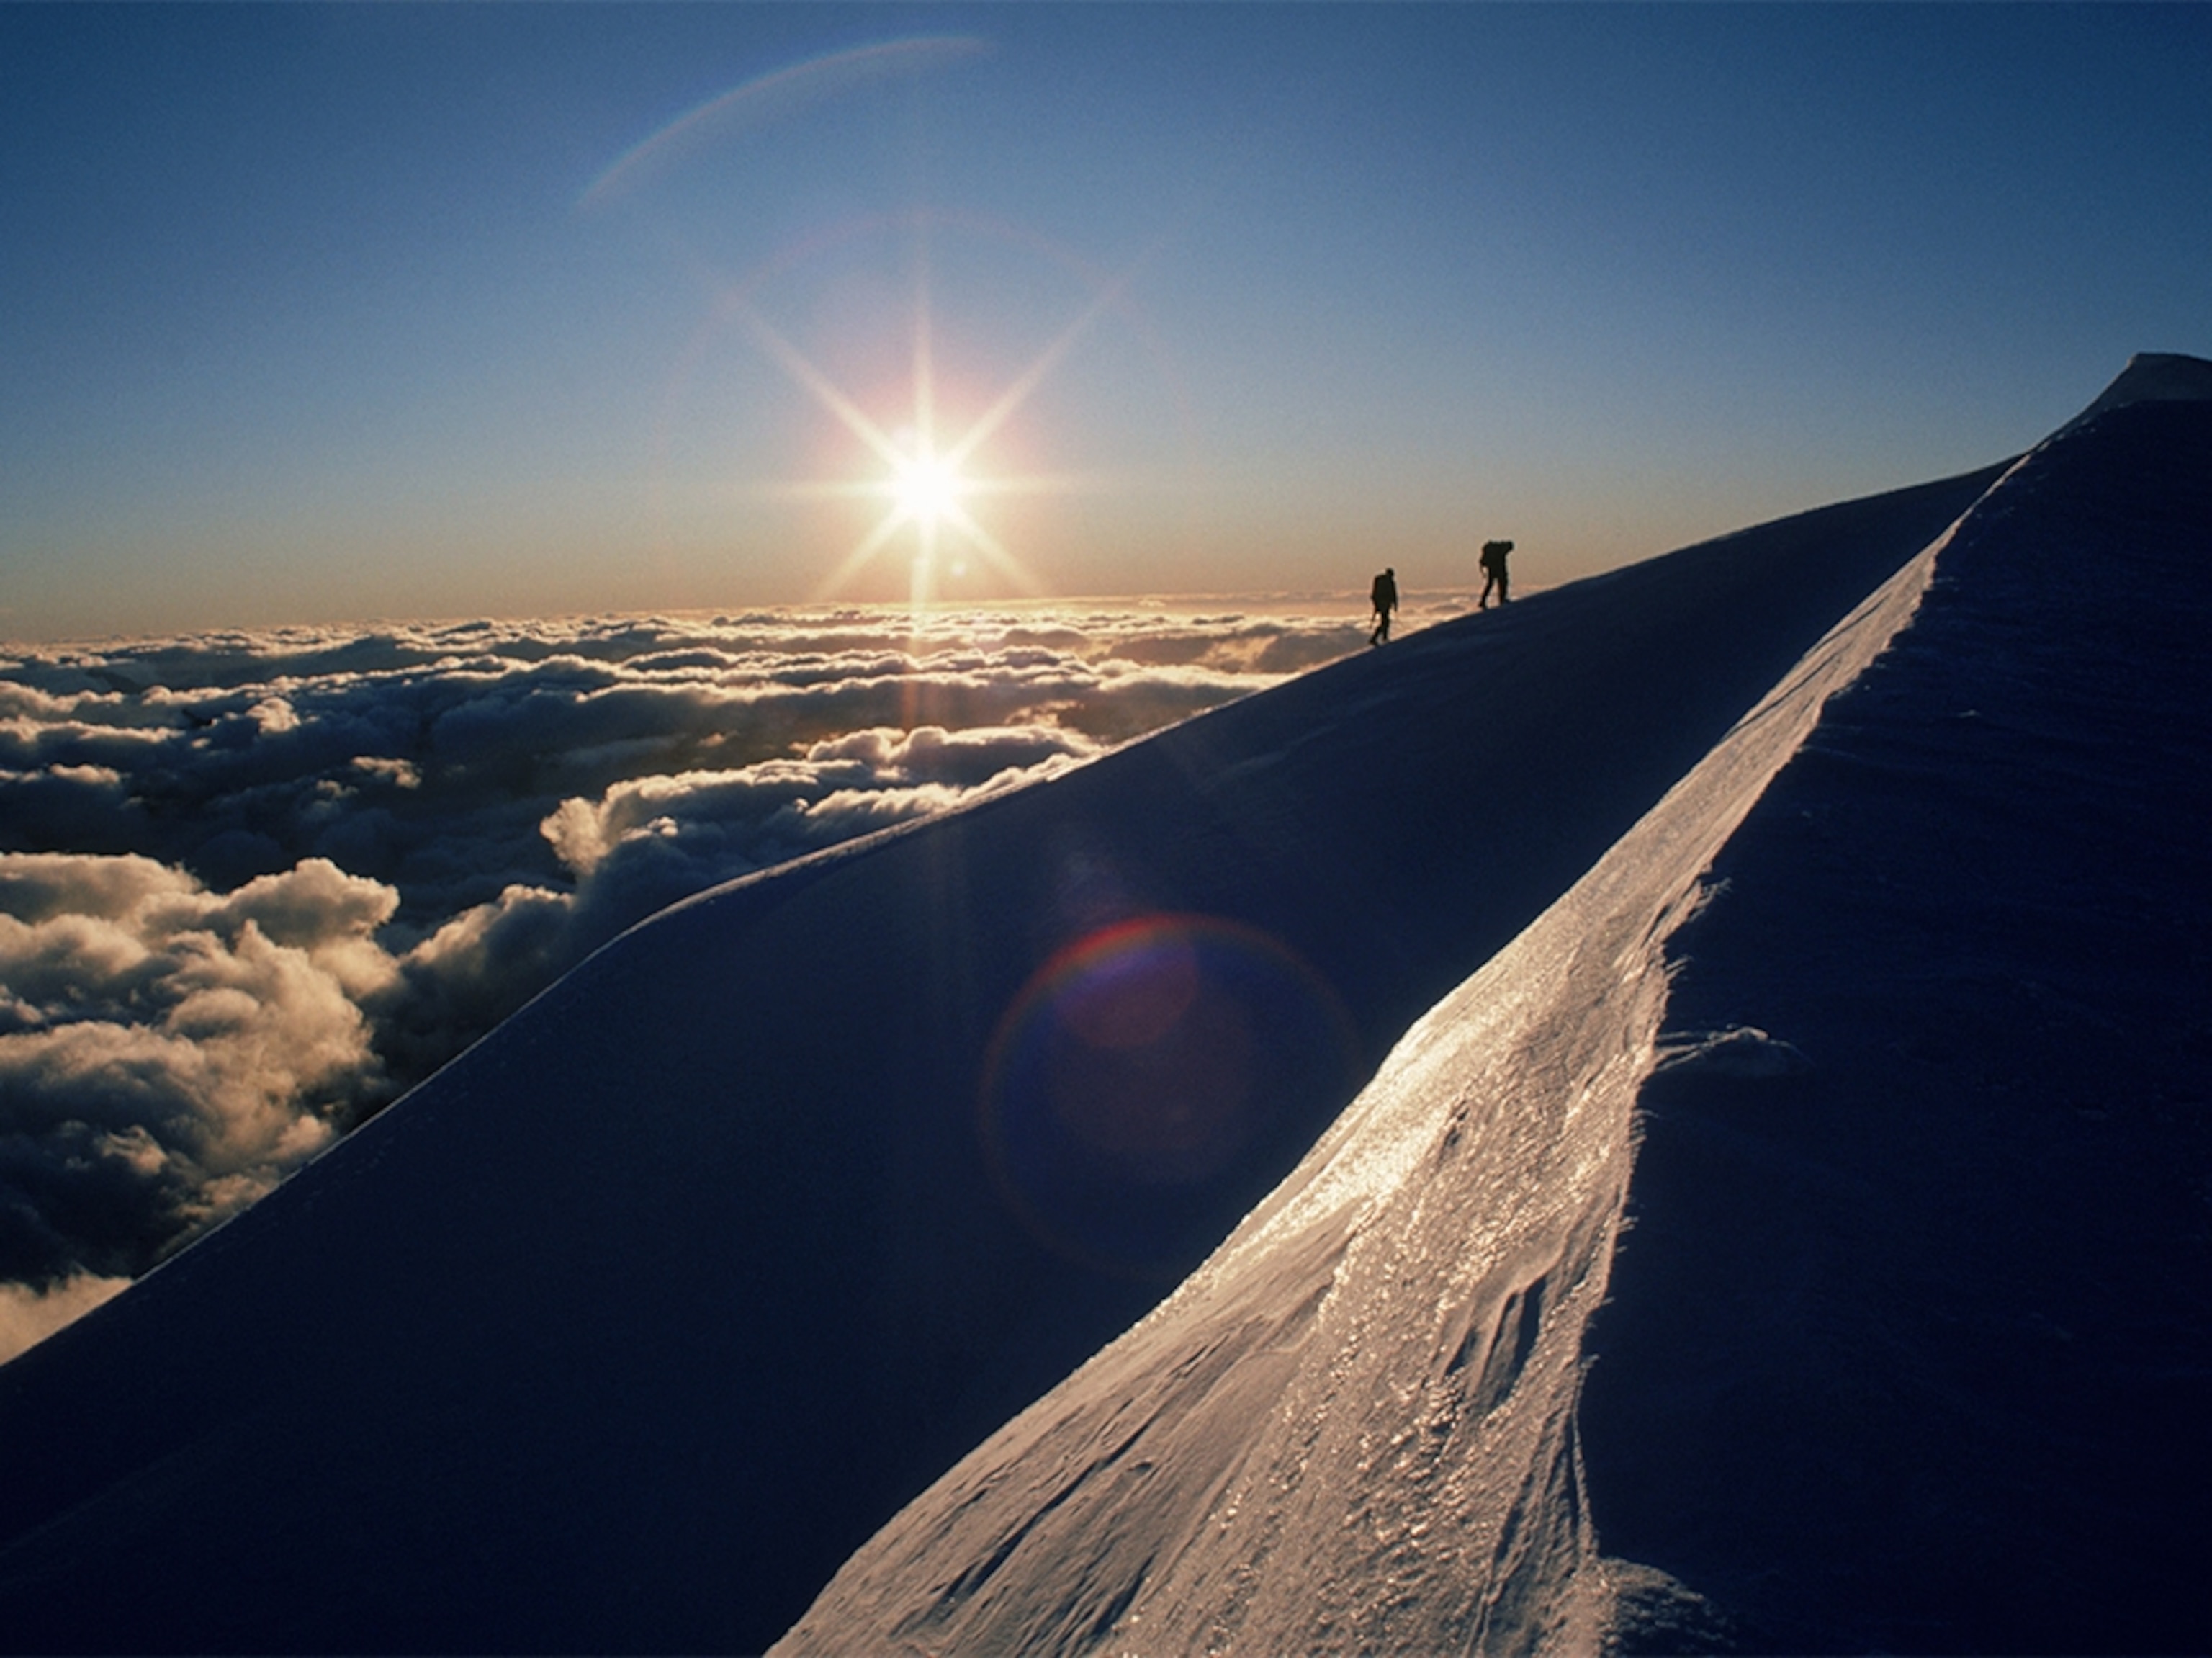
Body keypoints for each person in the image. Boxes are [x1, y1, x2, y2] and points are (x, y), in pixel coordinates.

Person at [1478, 539, 1514, 609]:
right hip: (1498, 570)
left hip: (1492, 569)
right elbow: (1500, 563)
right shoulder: (1500, 551)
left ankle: (1483, 601)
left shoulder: (1496, 549)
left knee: (1490, 584)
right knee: (1502, 583)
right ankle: (1502, 600)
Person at [1369, 567, 1399, 646]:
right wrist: (1396, 605)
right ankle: (1378, 638)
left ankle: (1381, 637)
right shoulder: (1390, 582)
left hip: (1380, 604)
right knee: (1385, 622)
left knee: (1385, 621)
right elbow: (1393, 594)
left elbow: (1374, 594)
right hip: (1385, 605)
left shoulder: (1380, 581)